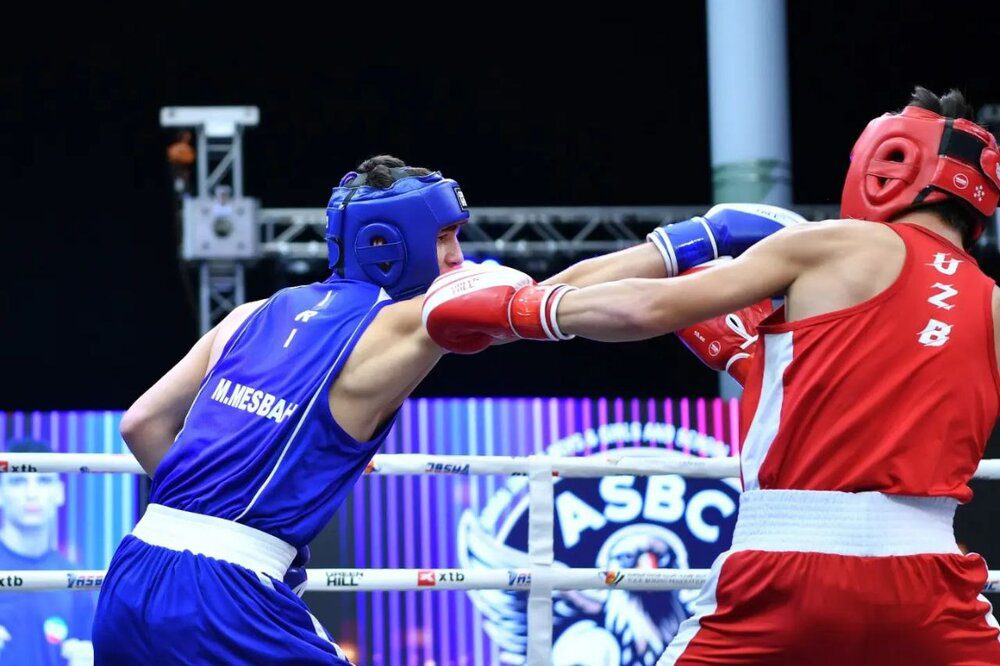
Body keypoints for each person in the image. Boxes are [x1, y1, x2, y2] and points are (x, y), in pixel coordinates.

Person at [424, 87, 1000, 663]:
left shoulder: (840, 244)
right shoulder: (992, 303)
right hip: (933, 579)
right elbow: (902, 400)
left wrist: (521, 309)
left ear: (887, 164)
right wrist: (758, 367)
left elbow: (645, 307)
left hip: (785, 564)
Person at [92, 155, 471, 664]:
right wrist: (234, 534)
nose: (457, 257)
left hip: (132, 571)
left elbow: (141, 424)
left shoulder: (251, 313)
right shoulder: (397, 326)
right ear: (388, 242)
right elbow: (516, 304)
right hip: (225, 594)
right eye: (444, 237)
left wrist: (211, 507)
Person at [0, 440, 94, 666]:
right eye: (18, 481)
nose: (31, 493)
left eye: (43, 480)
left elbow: (87, 650)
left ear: (59, 493)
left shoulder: (74, 579)